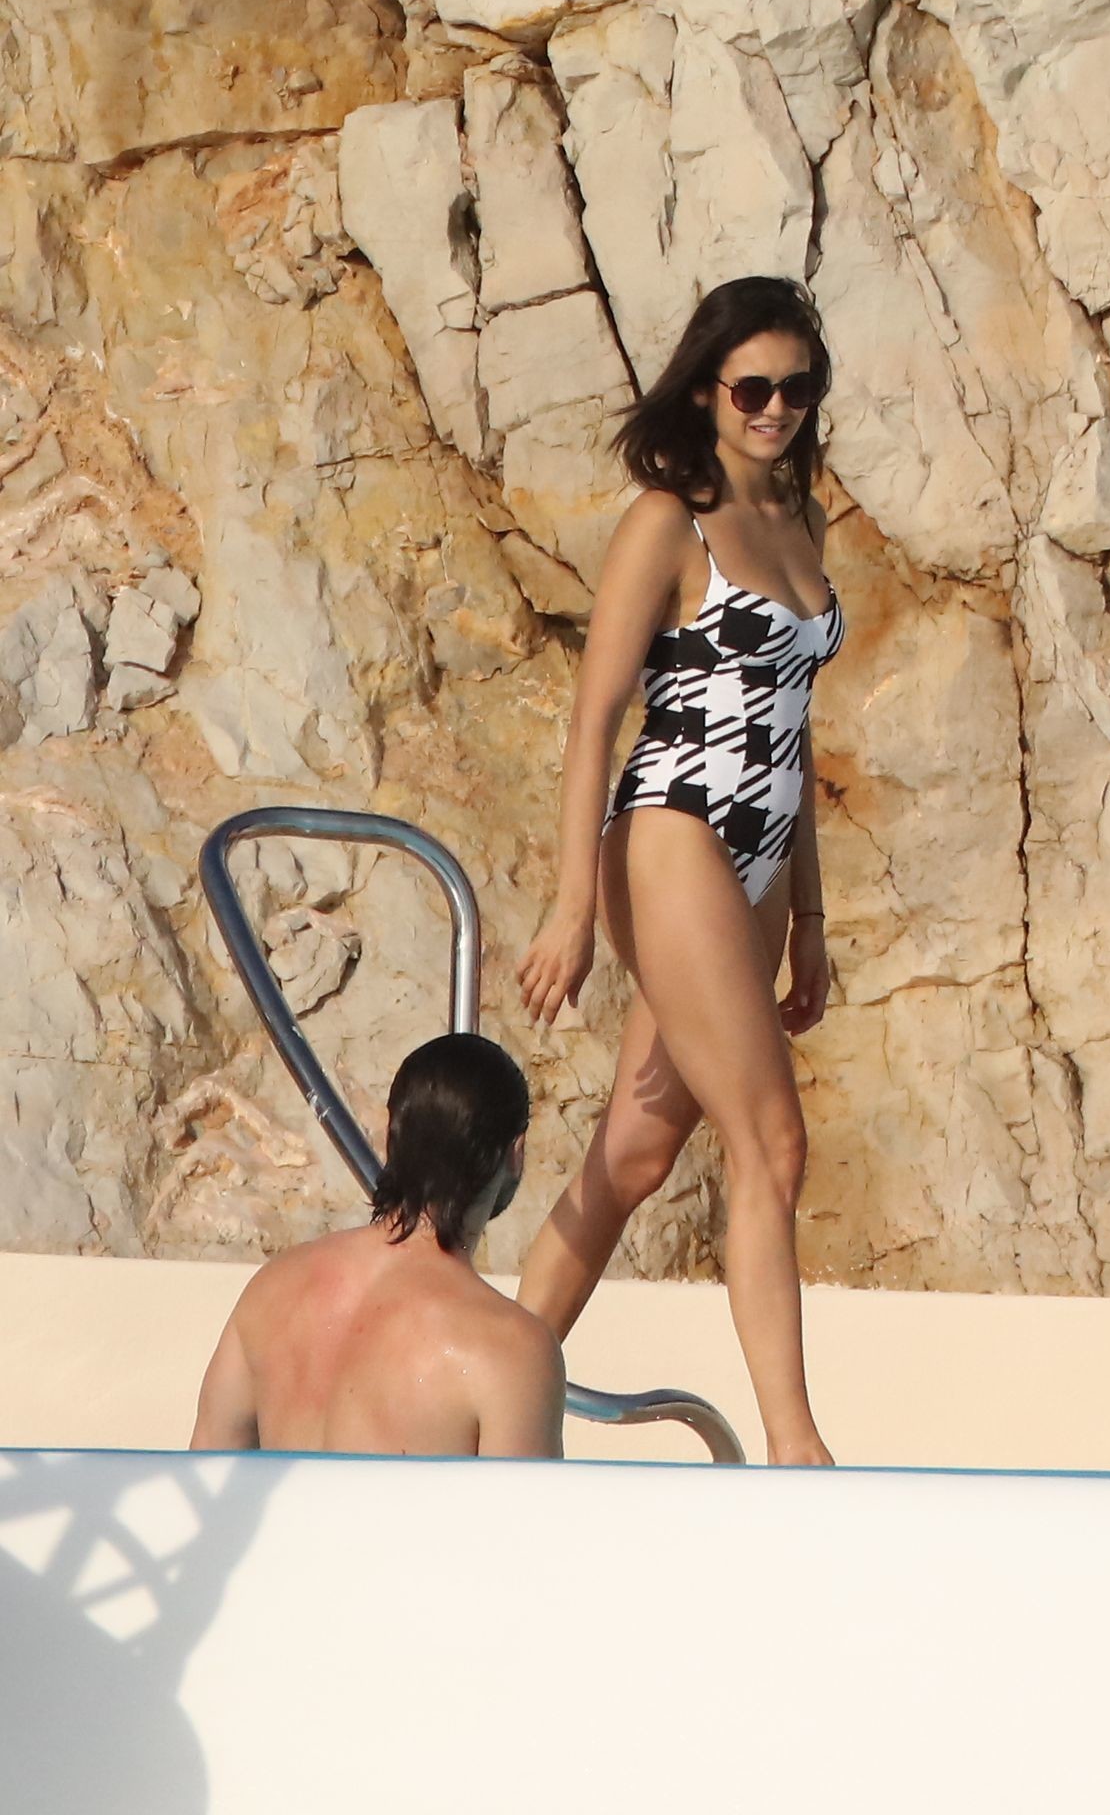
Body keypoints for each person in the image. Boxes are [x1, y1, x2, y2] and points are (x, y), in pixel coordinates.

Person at [516, 275, 844, 1466]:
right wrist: (572, 910)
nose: (774, 409)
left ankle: (485, 1387)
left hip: (759, 863)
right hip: (672, 832)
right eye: (751, 388)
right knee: (772, 1145)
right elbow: (594, 719)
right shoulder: (670, 520)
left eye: (795, 388)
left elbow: (792, 734)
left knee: (636, 1153)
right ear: (705, 389)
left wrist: (808, 916)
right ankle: (796, 1450)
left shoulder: (799, 519)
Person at [190, 1033, 565, 1458]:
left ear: (391, 1134)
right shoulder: (509, 1349)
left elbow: (208, 1467)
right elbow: (524, 1504)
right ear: (515, 1153)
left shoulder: (271, 1288)